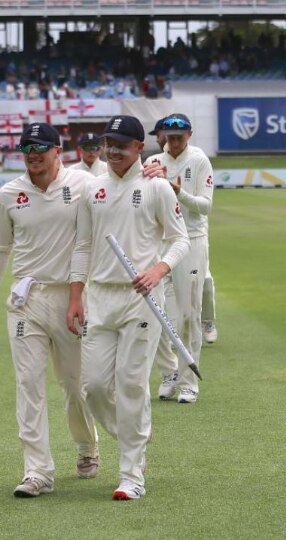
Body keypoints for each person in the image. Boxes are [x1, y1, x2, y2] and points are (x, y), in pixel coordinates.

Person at [74, 115, 190, 500]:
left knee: (130, 383)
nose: (113, 150)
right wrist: (77, 294)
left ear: (141, 148)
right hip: (100, 296)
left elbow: (179, 240)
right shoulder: (94, 189)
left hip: (141, 298)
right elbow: (84, 246)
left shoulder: (157, 187)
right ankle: (135, 434)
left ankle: (131, 476)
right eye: (110, 143)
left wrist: (158, 270)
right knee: (90, 387)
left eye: (122, 144)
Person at [0, 123, 99, 498]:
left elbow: (120, 187)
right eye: (27, 147)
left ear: (58, 150)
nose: (33, 153)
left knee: (75, 385)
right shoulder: (10, 194)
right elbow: (2, 248)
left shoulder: (83, 185)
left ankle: (87, 446)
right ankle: (37, 471)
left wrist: (154, 174)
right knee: (28, 385)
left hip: (72, 297)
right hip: (26, 300)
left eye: (41, 147)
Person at [146, 113, 213, 403]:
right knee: (155, 312)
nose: (173, 142)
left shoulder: (198, 160)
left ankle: (189, 382)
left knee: (188, 314)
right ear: (163, 136)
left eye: (179, 137)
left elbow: (205, 206)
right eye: (169, 137)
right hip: (160, 243)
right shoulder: (152, 163)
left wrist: (178, 191)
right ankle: (169, 371)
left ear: (189, 135)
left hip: (192, 240)